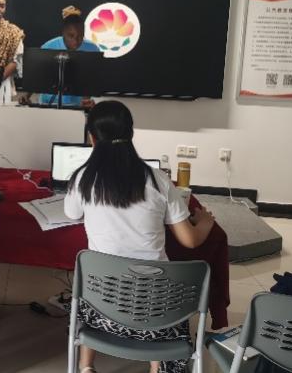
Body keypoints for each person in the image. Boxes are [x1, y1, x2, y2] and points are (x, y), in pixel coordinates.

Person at [63, 100, 215, 373]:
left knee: (90, 286)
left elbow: (71, 214)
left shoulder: (83, 178)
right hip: (156, 311)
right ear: (131, 133)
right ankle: (158, 367)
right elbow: (190, 240)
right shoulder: (158, 179)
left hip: (102, 306)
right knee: (159, 294)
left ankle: (85, 367)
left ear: (92, 138)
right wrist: (205, 222)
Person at [39, 6, 99, 108]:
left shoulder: (93, 49)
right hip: (48, 104)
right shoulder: (48, 47)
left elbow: (92, 79)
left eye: (80, 36)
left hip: (77, 105)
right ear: (63, 33)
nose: (76, 41)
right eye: (71, 36)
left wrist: (86, 99)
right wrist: (27, 96)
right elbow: (37, 76)